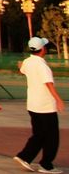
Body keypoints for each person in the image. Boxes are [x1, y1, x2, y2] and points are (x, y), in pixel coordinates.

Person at [13, 37, 64, 174]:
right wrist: (58, 99)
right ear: (42, 49)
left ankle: (24, 156)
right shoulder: (42, 65)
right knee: (52, 137)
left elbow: (22, 70)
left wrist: (21, 68)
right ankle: (46, 165)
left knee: (39, 134)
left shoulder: (28, 62)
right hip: (45, 106)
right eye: (45, 46)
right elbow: (48, 83)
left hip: (33, 105)